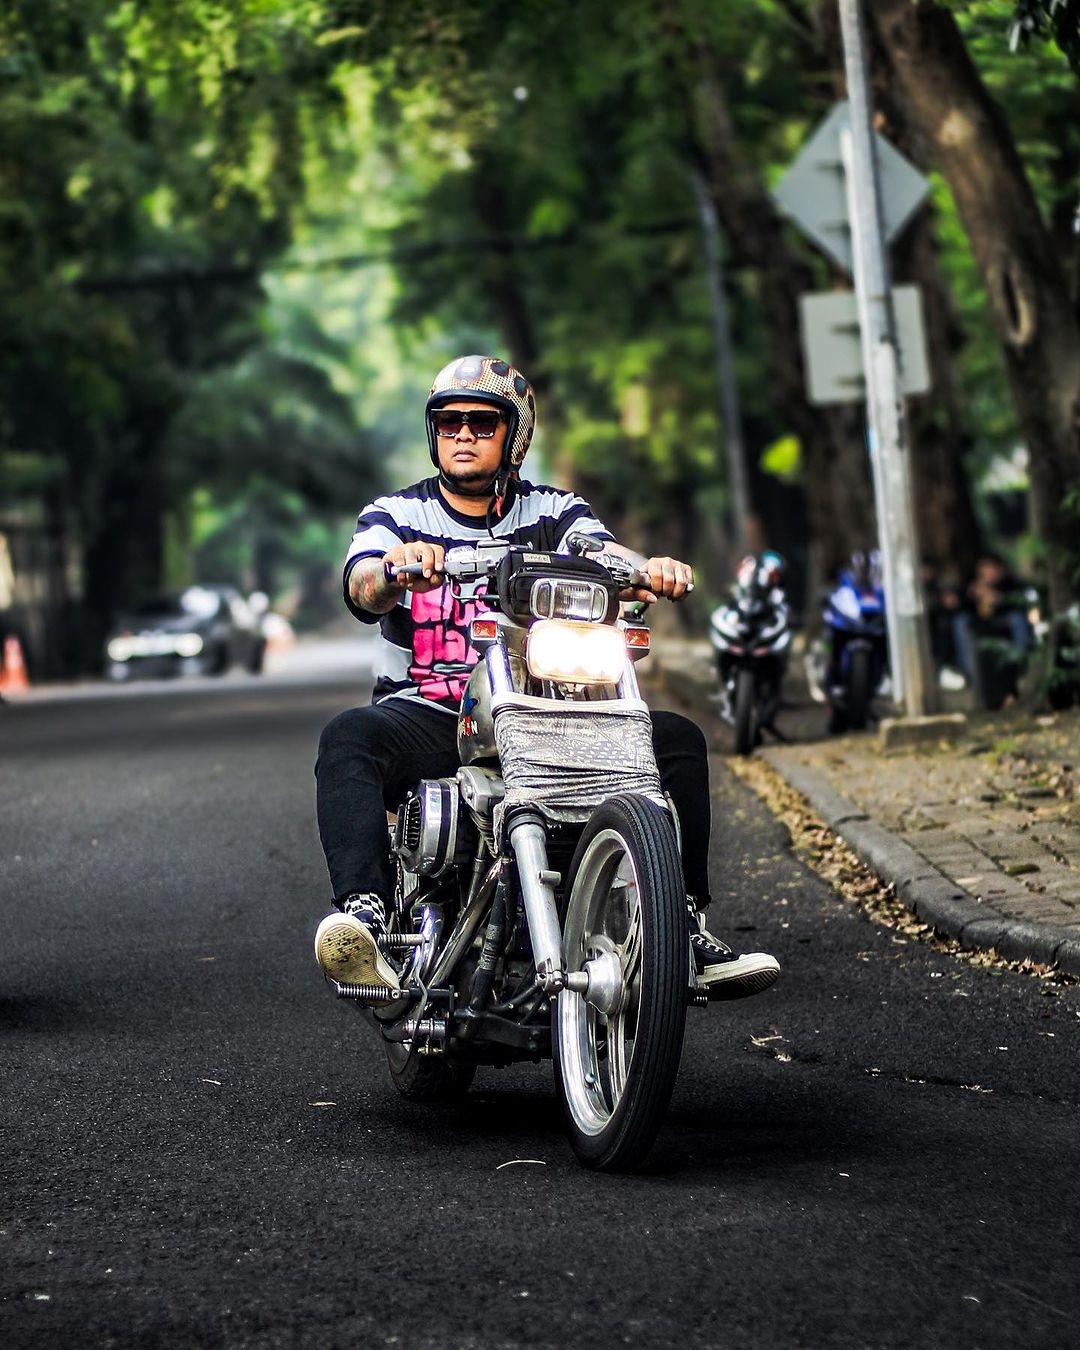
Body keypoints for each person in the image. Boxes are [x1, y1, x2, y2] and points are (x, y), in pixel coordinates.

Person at [313, 354, 780, 1003]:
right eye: (448, 423)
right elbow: (362, 585)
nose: (463, 434)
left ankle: (682, 925)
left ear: (516, 434)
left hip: (544, 709)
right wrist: (394, 569)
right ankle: (364, 919)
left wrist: (647, 568)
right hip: (435, 713)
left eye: (481, 421)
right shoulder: (395, 514)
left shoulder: (555, 511)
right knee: (349, 739)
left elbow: (598, 550)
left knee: (675, 742)